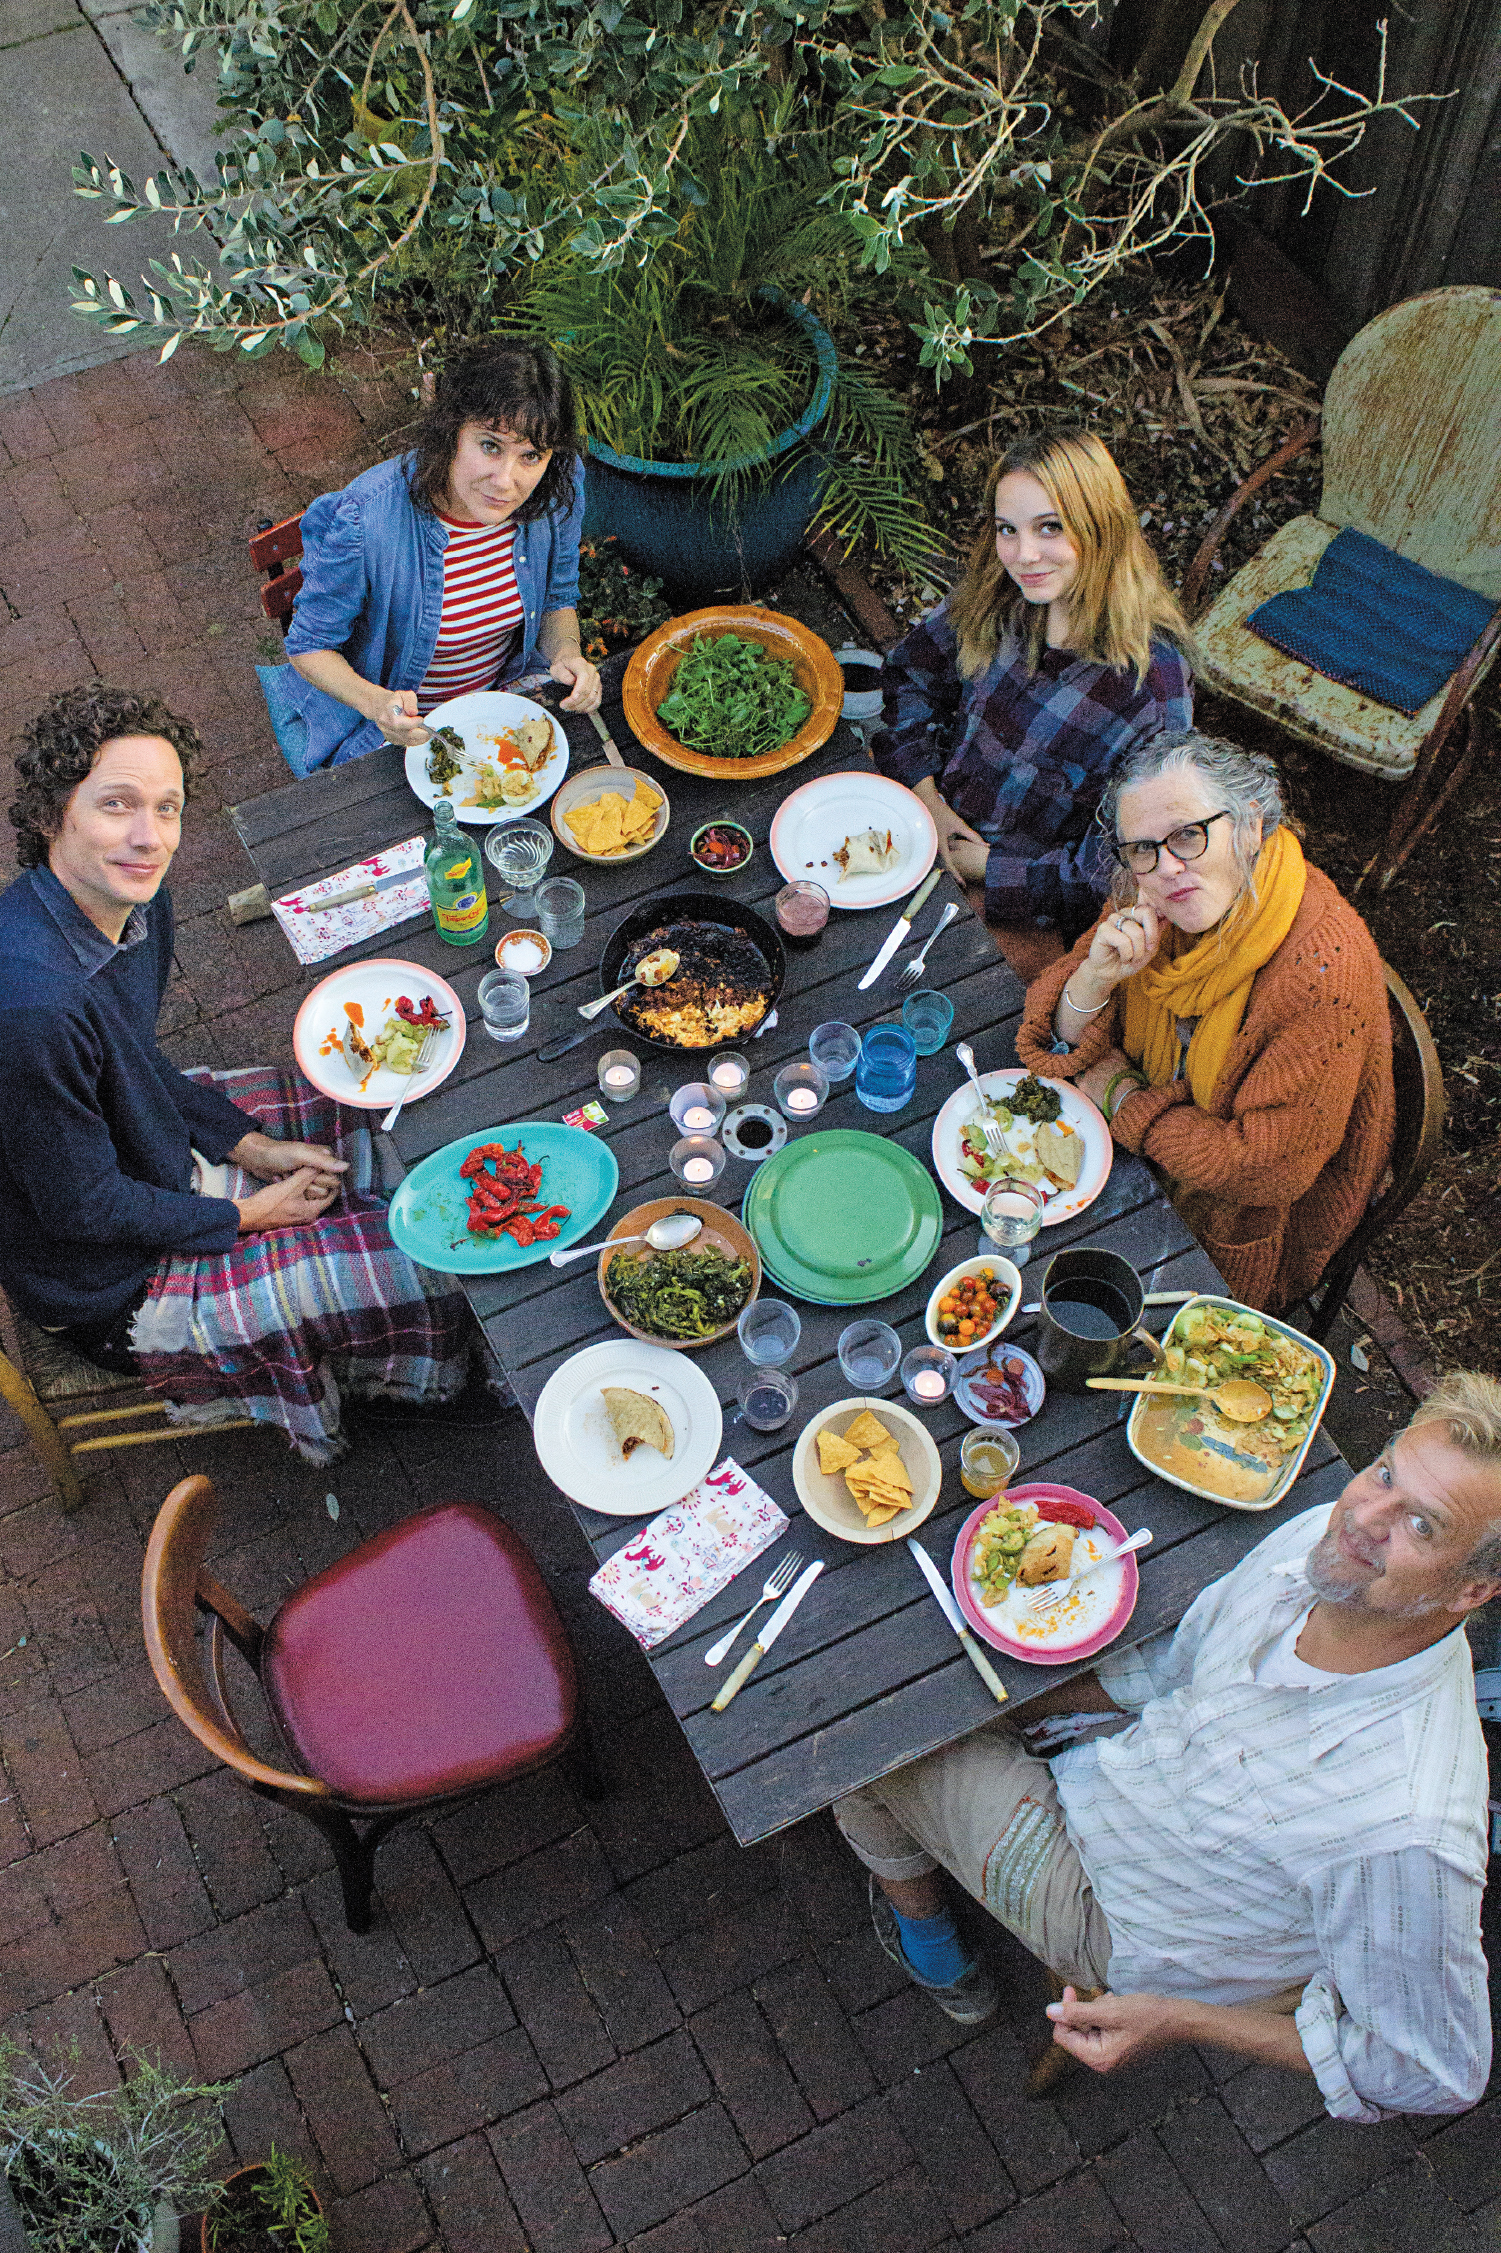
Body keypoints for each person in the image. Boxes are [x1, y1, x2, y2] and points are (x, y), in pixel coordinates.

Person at [834, 1372, 1501, 2121]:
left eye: (1421, 1525)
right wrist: (1011, 1707)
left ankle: (933, 1947)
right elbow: (1173, 1669)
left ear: (1469, 1591)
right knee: (927, 1688)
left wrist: (1177, 2018)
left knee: (859, 1740)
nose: (1366, 1517)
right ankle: (918, 1836)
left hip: (1113, 1912)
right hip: (1114, 1768)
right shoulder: (1325, 1544)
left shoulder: (1401, 1830)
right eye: (1383, 1473)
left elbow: (1434, 2070)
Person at [0, 685, 471, 1464]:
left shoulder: (132, 904)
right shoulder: (31, 1010)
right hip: (108, 1281)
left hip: (143, 1149)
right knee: (423, 1259)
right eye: (117, 805)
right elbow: (82, 1207)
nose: (149, 837)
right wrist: (252, 1216)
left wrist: (246, 1146)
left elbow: (132, 1058)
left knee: (394, 1107)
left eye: (168, 807)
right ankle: (413, 1381)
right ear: (53, 815)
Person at [1015, 729, 1395, 1312]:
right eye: (1143, 849)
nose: (1167, 867)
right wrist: (1095, 976)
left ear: (1248, 825)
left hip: (1223, 1227)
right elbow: (1057, 1038)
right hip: (1136, 1163)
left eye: (1189, 835)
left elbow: (1262, 1171)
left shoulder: (1323, 973)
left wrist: (1119, 1094)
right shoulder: (1146, 899)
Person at [871, 430, 1193, 979]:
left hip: (1020, 909)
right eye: (1007, 530)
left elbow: (1120, 867)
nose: (1024, 555)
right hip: (919, 820)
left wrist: (981, 866)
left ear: (1100, 526)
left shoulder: (1153, 690)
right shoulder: (1000, 597)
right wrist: (928, 798)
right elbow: (911, 674)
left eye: (1050, 528)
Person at [264, 339, 602, 774]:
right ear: (451, 429)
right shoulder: (366, 519)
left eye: (530, 456)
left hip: (502, 700)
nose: (506, 481)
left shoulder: (557, 489)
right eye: (490, 446)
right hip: (397, 729)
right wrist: (378, 705)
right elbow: (309, 646)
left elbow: (557, 599)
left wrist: (567, 652)